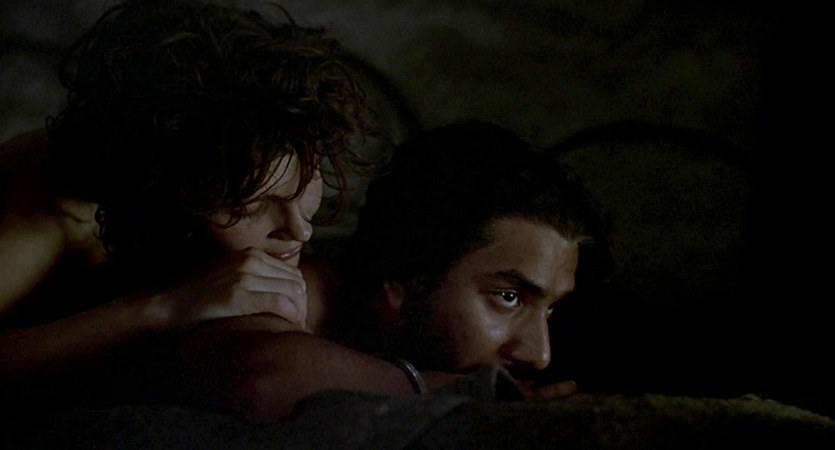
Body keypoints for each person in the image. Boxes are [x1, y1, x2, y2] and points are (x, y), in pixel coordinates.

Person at [0, 0, 376, 404]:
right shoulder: (52, 208)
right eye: (250, 206)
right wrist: (162, 308)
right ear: (165, 195)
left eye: (306, 179)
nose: (300, 229)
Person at [179, 121, 611, 421]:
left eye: (550, 309)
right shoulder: (292, 291)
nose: (539, 354)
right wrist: (474, 393)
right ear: (403, 280)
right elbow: (263, 379)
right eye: (509, 298)